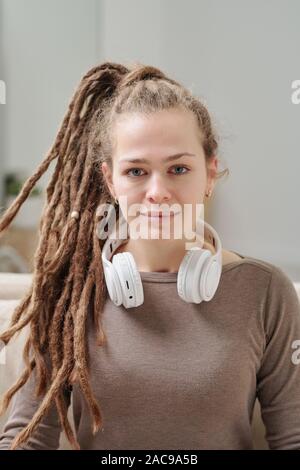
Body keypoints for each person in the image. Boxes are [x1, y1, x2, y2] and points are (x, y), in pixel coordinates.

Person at [0, 61, 299, 450]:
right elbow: (26, 439)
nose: (158, 191)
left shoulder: (264, 292)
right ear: (110, 179)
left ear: (210, 173)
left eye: (178, 168)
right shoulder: (67, 295)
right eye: (137, 171)